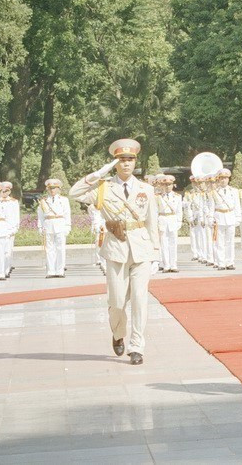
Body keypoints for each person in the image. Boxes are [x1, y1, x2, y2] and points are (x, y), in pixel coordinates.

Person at [69, 138, 160, 365]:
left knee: (140, 299)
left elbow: (152, 222)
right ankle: (118, 333)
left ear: (135, 162)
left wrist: (156, 252)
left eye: (130, 159)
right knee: (117, 301)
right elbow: (74, 193)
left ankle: (137, 346)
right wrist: (99, 173)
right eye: (121, 160)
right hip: (115, 249)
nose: (126, 164)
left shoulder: (146, 189)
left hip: (141, 249)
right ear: (115, 163)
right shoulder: (103, 188)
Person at [37, 179, 72, 278]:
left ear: (58, 189)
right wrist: (40, 226)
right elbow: (40, 215)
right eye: (50, 188)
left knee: (60, 249)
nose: (52, 190)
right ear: (47, 189)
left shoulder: (64, 200)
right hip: (48, 225)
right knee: (49, 249)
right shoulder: (44, 201)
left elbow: (67, 214)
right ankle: (51, 270)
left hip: (60, 225)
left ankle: (60, 270)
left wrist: (67, 226)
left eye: (54, 188)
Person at [212, 169, 240, 270]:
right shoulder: (214, 192)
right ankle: (221, 263)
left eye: (225, 178)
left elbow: (237, 205)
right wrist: (211, 219)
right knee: (219, 242)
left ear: (228, 179)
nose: (223, 180)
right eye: (221, 178)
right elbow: (211, 206)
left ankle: (230, 262)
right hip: (219, 217)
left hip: (230, 216)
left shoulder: (234, 191)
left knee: (230, 242)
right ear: (218, 180)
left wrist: (238, 218)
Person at [157, 175, 182, 273]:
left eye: (169, 184)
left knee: (173, 243)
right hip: (162, 218)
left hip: (172, 219)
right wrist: (156, 222)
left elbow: (179, 210)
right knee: (164, 244)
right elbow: (155, 211)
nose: (167, 186)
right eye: (165, 185)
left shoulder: (177, 196)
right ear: (162, 186)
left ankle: (173, 264)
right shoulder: (158, 197)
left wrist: (179, 221)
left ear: (173, 185)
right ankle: (166, 265)